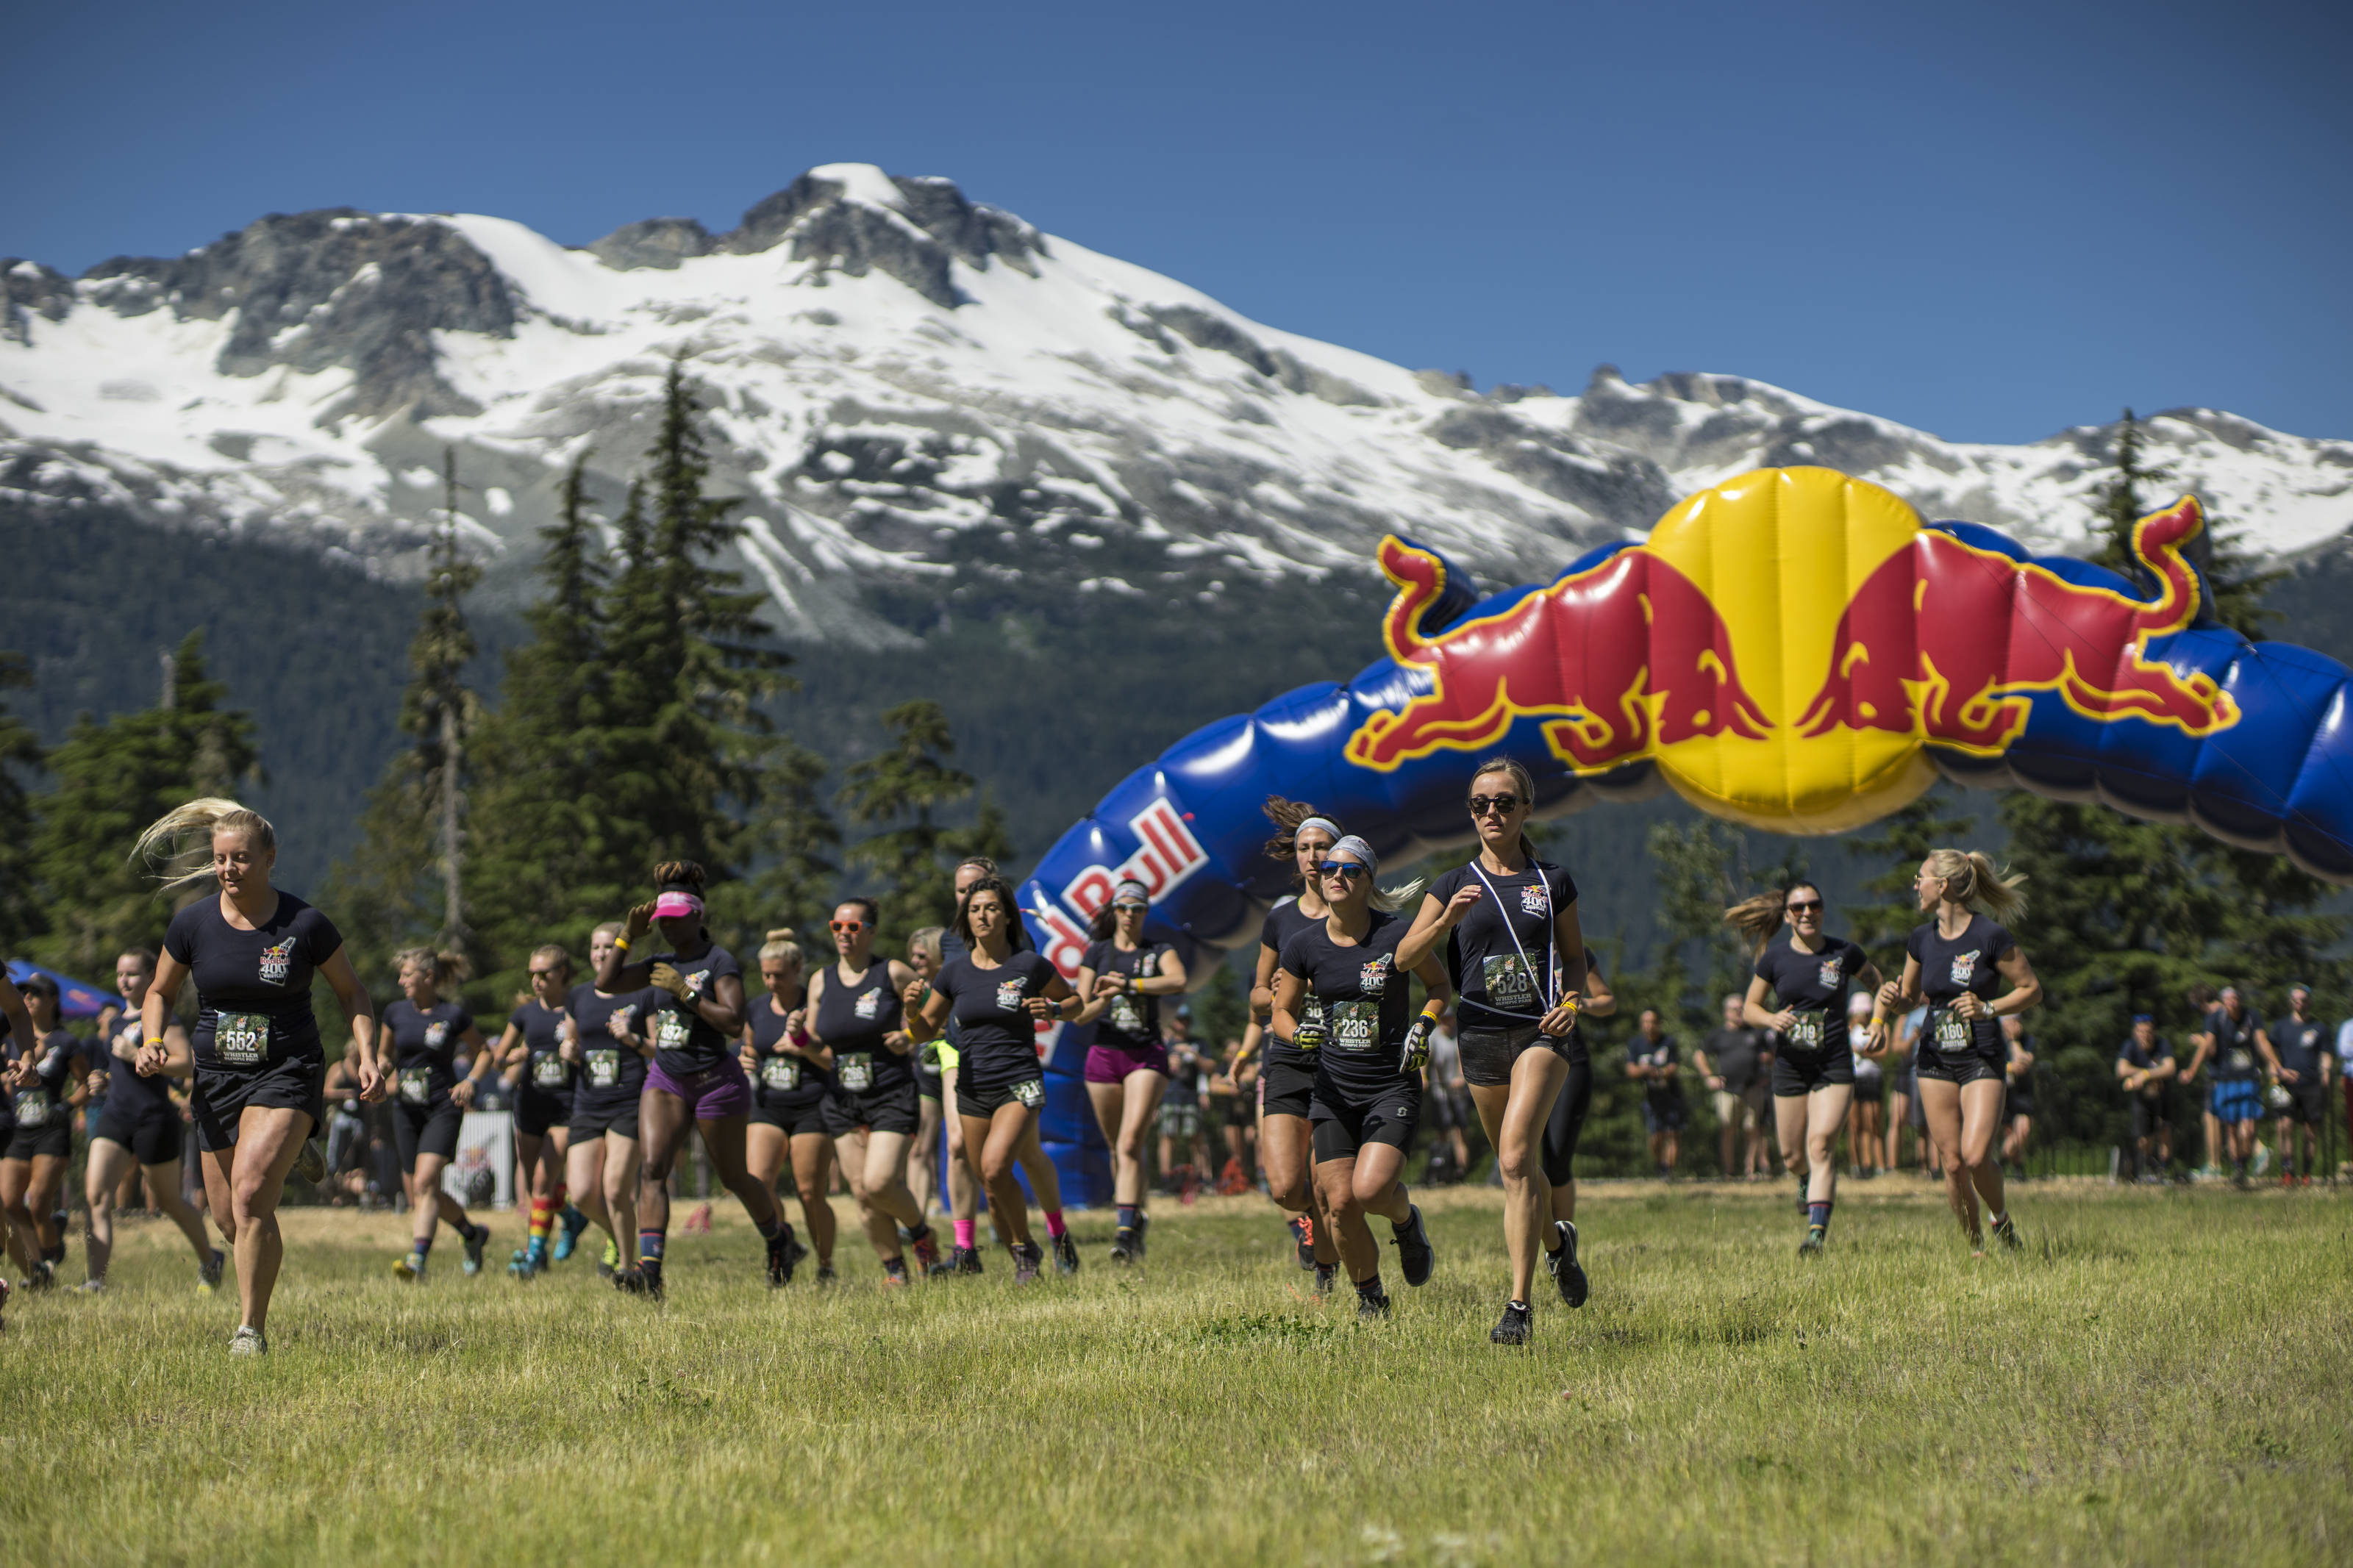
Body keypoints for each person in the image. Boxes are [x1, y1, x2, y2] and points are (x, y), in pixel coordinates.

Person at [135, 798, 384, 1354]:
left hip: (287, 1070)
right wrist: (151, 1041)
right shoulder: (192, 922)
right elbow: (159, 991)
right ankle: (293, 1151)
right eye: (221, 859)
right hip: (217, 1079)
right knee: (229, 1219)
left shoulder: (304, 923)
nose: (228, 869)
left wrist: (367, 1053)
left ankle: (250, 1329)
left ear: (270, 858)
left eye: (241, 858)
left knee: (250, 1198)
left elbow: (352, 991)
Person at [1397, 757, 1585, 1343]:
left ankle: (1518, 1307)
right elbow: (1404, 957)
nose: (1492, 813)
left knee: (1511, 1160)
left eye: (1504, 802)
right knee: (1521, 1169)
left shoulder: (1550, 881)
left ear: (1526, 809)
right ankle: (1558, 1241)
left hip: (1540, 1033)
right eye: (1481, 804)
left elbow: (1576, 957)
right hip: (1478, 1035)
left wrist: (1573, 1003)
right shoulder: (1452, 884)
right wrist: (1444, 921)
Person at [593, 862, 804, 1300]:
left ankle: (779, 1240)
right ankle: (650, 1273)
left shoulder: (717, 961)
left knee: (735, 1177)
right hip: (667, 1077)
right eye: (662, 922)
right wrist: (627, 935)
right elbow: (607, 981)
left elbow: (733, 1023)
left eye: (675, 920)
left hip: (716, 1082)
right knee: (652, 1170)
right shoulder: (658, 962)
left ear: (697, 916)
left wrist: (684, 992)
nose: (668, 928)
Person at [1274, 834, 1447, 1325]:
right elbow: (1281, 1011)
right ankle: (1371, 1296)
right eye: (1329, 867)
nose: (1335, 876)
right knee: (1339, 1200)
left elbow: (1438, 986)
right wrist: (1297, 1034)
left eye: (1349, 870)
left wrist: (1425, 1023)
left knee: (1372, 1192)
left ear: (1368, 879)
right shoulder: (1302, 944)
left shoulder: (1395, 935)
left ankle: (1405, 1221)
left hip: (1390, 1085)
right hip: (1333, 1090)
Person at [904, 874, 1080, 1283]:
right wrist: (913, 1012)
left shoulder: (1029, 965)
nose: (983, 915)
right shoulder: (953, 973)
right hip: (972, 1087)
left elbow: (1075, 1002)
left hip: (1019, 1081)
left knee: (997, 1167)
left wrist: (1053, 1010)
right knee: (990, 1183)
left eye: (991, 908)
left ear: (1007, 916)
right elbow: (925, 1031)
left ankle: (1037, 1247)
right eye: (975, 909)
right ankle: (1025, 1251)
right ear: (967, 918)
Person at [1874, 848, 2040, 1254]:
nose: (1916, 885)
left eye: (1921, 878)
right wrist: (1891, 997)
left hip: (1981, 1056)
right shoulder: (1920, 938)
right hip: (1934, 1058)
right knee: (1951, 1162)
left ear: (1942, 886)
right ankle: (1976, 1250)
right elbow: (1911, 998)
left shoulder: (1989, 936)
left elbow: (2031, 990)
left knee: (1975, 1155)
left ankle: (2000, 1219)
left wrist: (1989, 1009)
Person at [1732, 882, 1882, 1255]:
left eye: (1813, 905)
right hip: (1790, 1066)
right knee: (1793, 1156)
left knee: (1821, 1146)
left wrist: (1878, 1023)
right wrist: (1771, 1020)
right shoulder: (1774, 960)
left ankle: (1816, 1234)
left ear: (1822, 909)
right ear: (1786, 916)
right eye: (1797, 907)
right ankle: (1802, 1179)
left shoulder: (1844, 953)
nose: (1806, 912)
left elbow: (1879, 984)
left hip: (1834, 1063)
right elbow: (1750, 1008)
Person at [810, 903, 939, 1284]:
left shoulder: (893, 972)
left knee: (879, 1182)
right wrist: (797, 1037)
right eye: (837, 925)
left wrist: (910, 1034)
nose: (843, 933)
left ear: (871, 931)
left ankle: (920, 1234)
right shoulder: (821, 980)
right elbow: (816, 1043)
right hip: (842, 1097)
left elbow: (935, 1015)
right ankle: (894, 1271)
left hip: (890, 1092)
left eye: (853, 925)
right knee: (863, 1195)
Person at [81, 949, 224, 1292]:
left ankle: (210, 1259)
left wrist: (135, 1055)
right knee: (96, 1196)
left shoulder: (163, 1020)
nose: (124, 981)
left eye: (132, 974)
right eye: (120, 974)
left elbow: (188, 1065)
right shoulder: (115, 1022)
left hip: (153, 1119)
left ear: (150, 977)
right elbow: (125, 1075)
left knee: (168, 1201)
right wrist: (101, 1080)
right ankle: (95, 1282)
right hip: (115, 1116)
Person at [1249, 798, 1346, 1289]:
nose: (1312, 856)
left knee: (1328, 1189)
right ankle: (1310, 1229)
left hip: (1341, 1059)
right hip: (1288, 1054)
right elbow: (1257, 992)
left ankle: (1327, 1275)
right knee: (1289, 1188)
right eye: (1304, 847)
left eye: (1322, 847)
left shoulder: (1355, 914)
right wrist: (1278, 996)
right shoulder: (1281, 918)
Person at [1071, 878, 1186, 1261]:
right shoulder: (1097, 953)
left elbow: (1178, 980)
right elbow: (1082, 1012)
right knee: (1117, 1148)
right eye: (1123, 907)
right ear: (1113, 911)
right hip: (1104, 1054)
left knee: (1130, 1140)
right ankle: (1135, 1215)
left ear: (1145, 913)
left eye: (1137, 908)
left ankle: (1123, 1233)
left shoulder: (1157, 950)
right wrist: (1102, 997)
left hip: (1145, 1053)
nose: (1129, 915)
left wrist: (1131, 985)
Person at [383, 948, 496, 1281]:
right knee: (419, 1189)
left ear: (428, 977)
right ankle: (472, 1234)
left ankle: (417, 1260)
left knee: (424, 1182)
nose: (401, 981)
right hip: (406, 1108)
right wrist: (380, 1069)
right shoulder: (395, 1013)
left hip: (443, 1107)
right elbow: (385, 1054)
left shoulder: (453, 1015)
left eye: (407, 975)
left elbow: (484, 1051)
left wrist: (471, 1082)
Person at [742, 930, 839, 1282]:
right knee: (758, 1181)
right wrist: (747, 1060)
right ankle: (783, 1243)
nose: (771, 982)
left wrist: (802, 1047)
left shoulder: (816, 1009)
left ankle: (826, 1265)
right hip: (768, 1104)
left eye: (779, 975)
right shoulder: (755, 1008)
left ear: (798, 969)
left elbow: (831, 1060)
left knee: (810, 1192)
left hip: (812, 1106)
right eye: (766, 975)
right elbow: (750, 1048)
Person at [562, 923, 649, 1285]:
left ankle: (629, 1269)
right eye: (596, 948)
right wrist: (569, 1050)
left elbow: (661, 1051)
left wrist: (632, 1039)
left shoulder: (644, 993)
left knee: (616, 1188)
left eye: (608, 947)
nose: (601, 954)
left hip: (630, 1101)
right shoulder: (578, 996)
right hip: (588, 1103)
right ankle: (617, 1236)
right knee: (581, 1194)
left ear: (623, 952)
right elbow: (571, 1039)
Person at [932, 859, 1007, 1275]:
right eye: (961, 892)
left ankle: (1021, 1225)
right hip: (955, 1051)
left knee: (1012, 1152)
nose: (967, 899)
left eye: (975, 890)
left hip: (1001, 1053)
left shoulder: (1016, 939)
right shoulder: (948, 941)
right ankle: (965, 1250)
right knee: (957, 1143)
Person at [500, 945, 585, 1277]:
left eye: (543, 974)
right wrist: (513, 1057)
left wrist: (577, 1053)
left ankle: (535, 1254)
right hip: (530, 1105)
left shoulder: (578, 1007)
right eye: (531, 974)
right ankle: (572, 1217)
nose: (536, 980)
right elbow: (499, 1056)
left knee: (541, 1181)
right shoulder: (525, 1014)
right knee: (539, 1182)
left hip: (566, 1106)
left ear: (562, 973)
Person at [4, 975, 90, 1289]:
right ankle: (40, 1257)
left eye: (37, 993)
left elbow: (86, 1086)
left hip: (51, 1131)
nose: (28, 997)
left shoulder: (66, 1042)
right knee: (10, 1202)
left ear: (54, 1000)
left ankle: (49, 1260)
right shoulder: (12, 1039)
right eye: (24, 992)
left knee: (39, 1201)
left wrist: (66, 1106)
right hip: (18, 1129)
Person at [1536, 953, 1612, 1306]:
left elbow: (1607, 1001)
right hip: (1521, 1053)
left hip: (1570, 1056)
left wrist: (1575, 1004)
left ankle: (1563, 1250)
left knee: (1557, 1155)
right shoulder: (1508, 942)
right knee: (1526, 1157)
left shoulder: (1573, 953)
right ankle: (1553, 1245)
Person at [2184, 986, 2278, 1188]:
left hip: (2240, 1077)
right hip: (2227, 1079)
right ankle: (2238, 1168)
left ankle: (2221, 1163)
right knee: (2231, 1126)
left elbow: (2210, 1047)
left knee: (2241, 1125)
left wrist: (2277, 1066)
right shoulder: (2217, 1020)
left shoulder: (2242, 1016)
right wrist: (2191, 1070)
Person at [1694, 993, 1771, 1180]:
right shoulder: (1718, 1035)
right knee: (1727, 1128)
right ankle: (1728, 1171)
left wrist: (1766, 1071)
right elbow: (1699, 1055)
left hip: (1752, 1087)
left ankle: (1750, 1170)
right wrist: (1709, 1077)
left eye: (1741, 1009)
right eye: (1735, 1009)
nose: (1739, 1012)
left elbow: (1771, 1054)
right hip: (1728, 1090)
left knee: (1753, 1129)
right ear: (1726, 1012)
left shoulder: (1755, 1032)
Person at [906, 927, 947, 1225]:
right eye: (913, 955)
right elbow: (907, 1028)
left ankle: (994, 1219)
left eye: (922, 954)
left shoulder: (954, 984)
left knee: (966, 1147)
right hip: (926, 1077)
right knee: (920, 1147)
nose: (915, 960)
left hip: (959, 1073)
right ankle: (916, 1221)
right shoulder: (915, 988)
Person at [2269, 984, 2330, 1184]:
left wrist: (2326, 1073)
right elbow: (2272, 1054)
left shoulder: (2319, 1028)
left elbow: (2326, 1055)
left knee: (2310, 1130)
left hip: (2311, 1082)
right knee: (2284, 1126)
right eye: (2296, 999)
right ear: (2291, 1002)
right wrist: (2277, 1072)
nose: (2300, 1003)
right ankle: (2287, 1169)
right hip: (2286, 1082)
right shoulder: (2280, 1027)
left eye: (2303, 999)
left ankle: (2306, 1172)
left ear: (2309, 1001)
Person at [2115, 1014, 2177, 1183]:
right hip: (2141, 1098)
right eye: (2141, 1032)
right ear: (2135, 1033)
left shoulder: (2162, 1044)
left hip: (2162, 1096)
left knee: (2165, 1129)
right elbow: (2121, 1069)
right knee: (2142, 1136)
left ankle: (2164, 1168)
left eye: (2148, 1032)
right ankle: (2146, 1166)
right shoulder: (2130, 1046)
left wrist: (2146, 1075)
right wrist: (2144, 1075)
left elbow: (2170, 1068)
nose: (2145, 1035)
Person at [1157, 1011, 1211, 1198]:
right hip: (1169, 1096)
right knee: (1167, 1137)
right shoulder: (1166, 1044)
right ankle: (1167, 1180)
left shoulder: (1198, 1043)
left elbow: (1210, 1067)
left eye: (1187, 1019)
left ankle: (1201, 1179)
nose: (1184, 1023)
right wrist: (1167, 1063)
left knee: (1196, 1138)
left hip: (1191, 1097)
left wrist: (1194, 1055)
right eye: (1180, 1019)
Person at [1626, 1010, 1685, 1178]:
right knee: (1656, 1134)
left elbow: (1674, 1066)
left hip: (1671, 1095)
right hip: (1650, 1097)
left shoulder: (1668, 1041)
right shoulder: (1636, 1044)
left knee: (1673, 1132)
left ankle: (1669, 1172)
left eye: (1652, 1021)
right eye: (1646, 1021)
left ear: (1658, 1023)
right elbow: (1630, 1069)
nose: (1649, 1025)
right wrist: (1644, 1071)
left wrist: (1659, 1073)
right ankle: (1661, 1167)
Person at [1422, 1006, 1473, 1185]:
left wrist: (1461, 1078)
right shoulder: (1434, 1037)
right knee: (1442, 1130)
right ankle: (1441, 1168)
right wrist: (1424, 1077)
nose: (1446, 1023)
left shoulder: (1458, 1035)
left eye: (1448, 1019)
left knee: (1460, 1132)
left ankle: (1461, 1171)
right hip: (1441, 1092)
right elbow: (1427, 1058)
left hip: (1457, 1091)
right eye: (1442, 1020)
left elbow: (1462, 1059)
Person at [1846, 992, 1885, 1178]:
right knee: (1854, 1125)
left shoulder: (1876, 1027)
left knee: (1873, 1123)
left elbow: (1883, 1052)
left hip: (1872, 1079)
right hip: (1854, 1079)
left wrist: (1863, 1051)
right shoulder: (1848, 1030)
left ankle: (1877, 1166)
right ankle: (1857, 1166)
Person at [1999, 1015, 2036, 1180]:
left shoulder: (2027, 1040)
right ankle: (2018, 1170)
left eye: (2018, 1021)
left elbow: (2024, 1063)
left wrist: (2013, 1041)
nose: (2016, 1025)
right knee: (2009, 1133)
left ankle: (1999, 1163)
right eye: (2011, 1022)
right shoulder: (1996, 1041)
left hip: (2022, 1093)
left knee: (2023, 1132)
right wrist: (2009, 1067)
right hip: (2003, 1093)